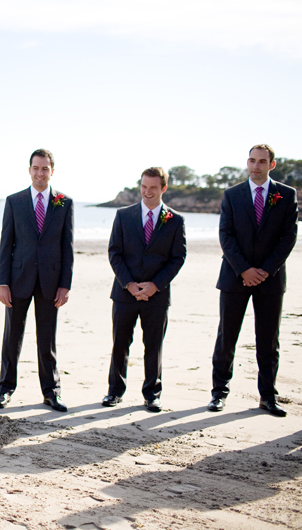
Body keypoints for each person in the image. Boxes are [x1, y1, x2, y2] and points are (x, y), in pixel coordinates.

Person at [208, 144, 298, 417]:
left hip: (270, 280)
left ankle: (268, 397)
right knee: (227, 337)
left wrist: (265, 271)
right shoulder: (232, 195)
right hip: (235, 277)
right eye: (252, 160)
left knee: (268, 340)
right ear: (247, 163)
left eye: (262, 161)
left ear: (272, 164)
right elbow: (226, 236)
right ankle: (219, 394)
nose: (256, 166)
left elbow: (288, 237)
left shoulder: (286, 194)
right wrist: (245, 270)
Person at [0, 148, 74, 412]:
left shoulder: (64, 202)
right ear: (29, 170)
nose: (40, 173)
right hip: (18, 279)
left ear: (52, 171)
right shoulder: (14, 201)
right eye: (36, 168)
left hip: (51, 282)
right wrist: (2, 282)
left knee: (47, 338)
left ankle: (51, 392)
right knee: (12, 337)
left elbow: (67, 247)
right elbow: (6, 244)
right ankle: (5, 389)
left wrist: (65, 284)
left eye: (45, 168)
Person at [104, 167, 187, 412]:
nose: (147, 192)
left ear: (163, 188)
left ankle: (152, 394)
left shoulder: (175, 220)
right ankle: (114, 391)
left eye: (153, 187)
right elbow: (114, 252)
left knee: (153, 346)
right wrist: (129, 284)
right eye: (143, 186)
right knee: (120, 343)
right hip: (124, 293)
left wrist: (155, 285)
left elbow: (178, 257)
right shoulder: (123, 215)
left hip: (157, 295)